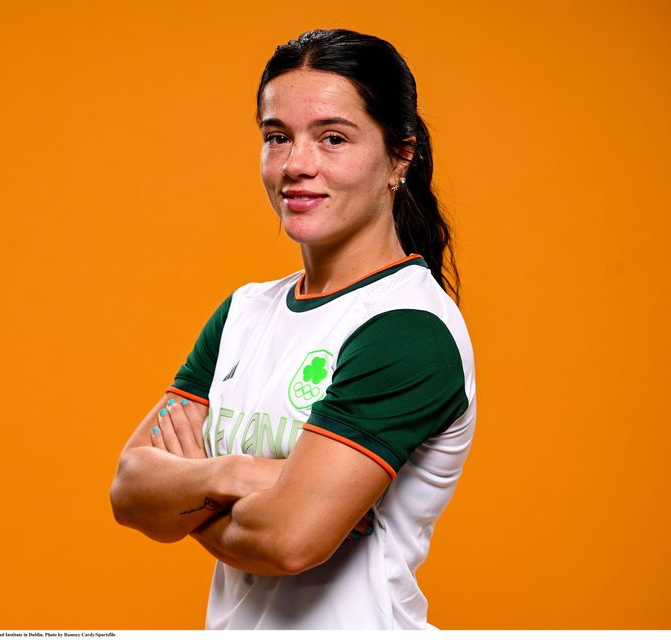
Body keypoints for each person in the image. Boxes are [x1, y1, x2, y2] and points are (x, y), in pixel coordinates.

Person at [110, 28, 476, 630]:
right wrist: (241, 474)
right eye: (277, 137)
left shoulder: (406, 328)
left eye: (332, 137)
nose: (296, 165)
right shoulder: (243, 314)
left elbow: (288, 542)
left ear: (399, 156)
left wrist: (188, 494)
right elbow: (130, 491)